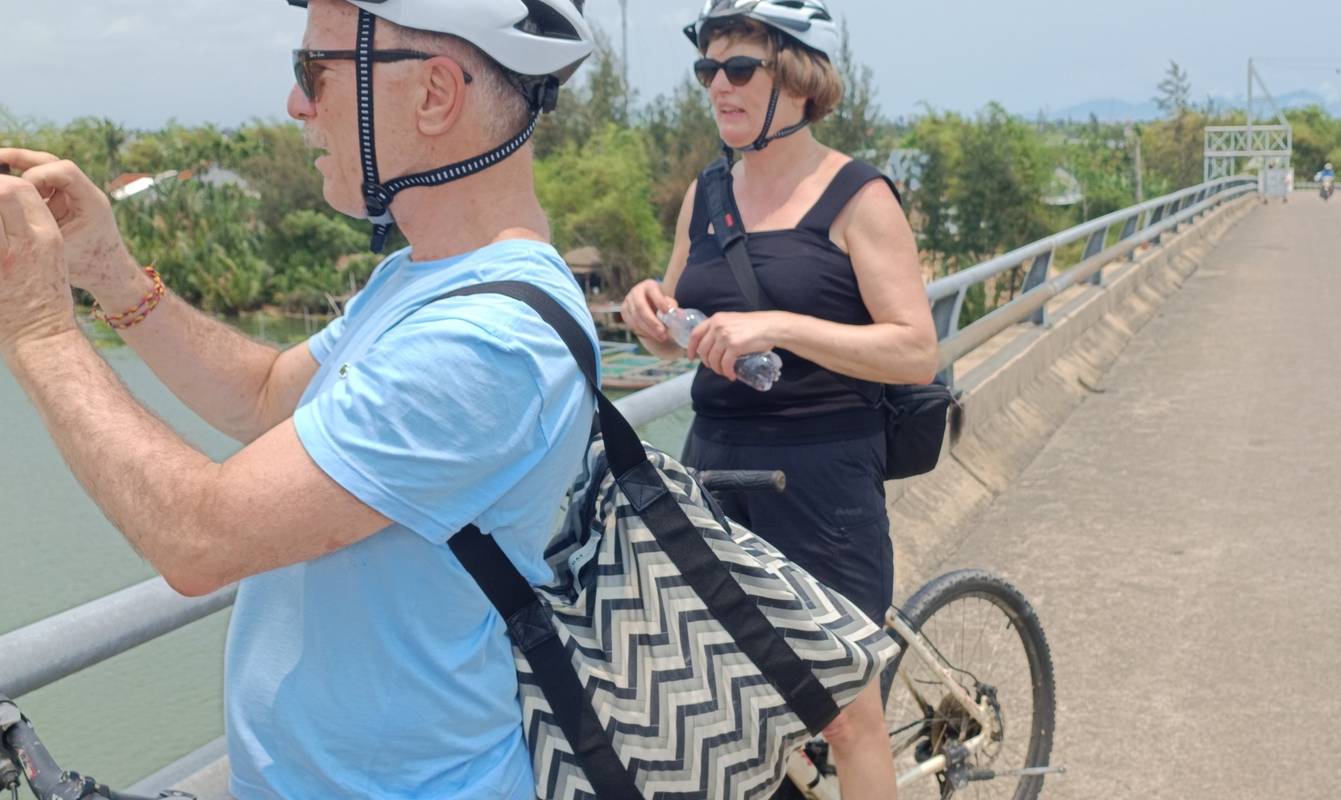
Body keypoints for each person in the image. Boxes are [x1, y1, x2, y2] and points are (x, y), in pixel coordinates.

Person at [0, 0, 599, 796]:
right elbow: (263, 396)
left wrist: (38, 330)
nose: (295, 105)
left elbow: (196, 539)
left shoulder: (487, 341)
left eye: (314, 72)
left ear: (433, 94)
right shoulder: (427, 280)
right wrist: (106, 267)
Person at [619, 1, 938, 796]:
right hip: (714, 467)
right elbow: (689, 326)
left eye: (738, 69)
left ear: (797, 79)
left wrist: (784, 326)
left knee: (844, 713)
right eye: (706, 70)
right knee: (719, 700)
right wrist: (654, 318)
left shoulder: (858, 197)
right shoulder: (709, 194)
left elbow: (915, 347)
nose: (717, 86)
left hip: (823, 476)